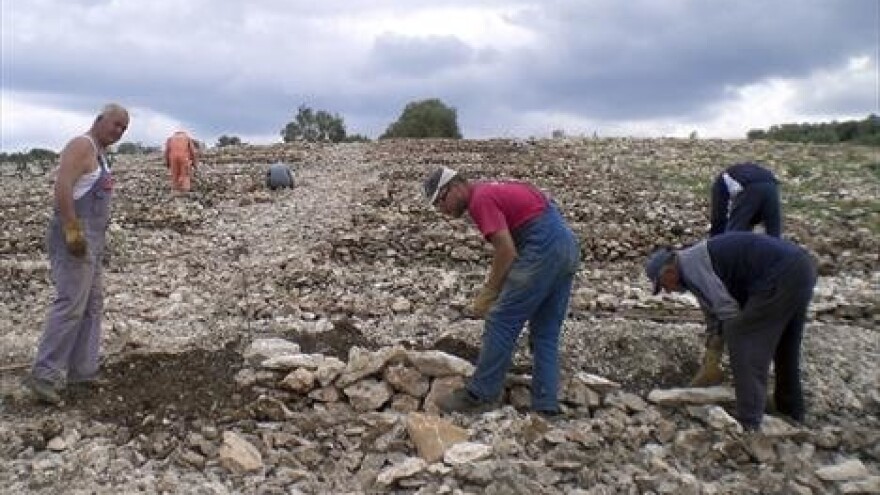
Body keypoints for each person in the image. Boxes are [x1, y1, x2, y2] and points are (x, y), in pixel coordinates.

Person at [424, 167, 580, 415]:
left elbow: (506, 251)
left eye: (441, 201)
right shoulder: (496, 188)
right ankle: (546, 406)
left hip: (542, 247)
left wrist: (490, 292)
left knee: (500, 320)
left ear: (455, 187)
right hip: (567, 246)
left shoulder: (479, 199)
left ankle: (480, 394)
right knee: (545, 333)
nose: (444, 211)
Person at [645, 232, 817, 429]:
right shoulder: (691, 266)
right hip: (800, 268)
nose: (667, 291)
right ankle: (791, 410)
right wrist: (712, 353)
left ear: (668, 272)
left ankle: (749, 420)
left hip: (780, 275)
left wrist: (725, 344)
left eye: (663, 285)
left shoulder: (692, 266)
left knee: (740, 335)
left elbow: (727, 310)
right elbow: (711, 310)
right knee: (785, 346)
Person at [24, 103, 130, 404]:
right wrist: (73, 232)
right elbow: (62, 189)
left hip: (94, 239)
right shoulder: (81, 146)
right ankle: (44, 375)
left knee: (92, 305)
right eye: (115, 124)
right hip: (75, 236)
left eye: (124, 128)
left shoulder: (101, 155)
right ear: (99, 120)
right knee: (71, 303)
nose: (119, 131)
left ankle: (82, 372)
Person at [694, 162, 782, 386]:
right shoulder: (751, 182)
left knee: (731, 241)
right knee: (775, 243)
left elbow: (718, 220)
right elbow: (769, 231)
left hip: (752, 187)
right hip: (772, 186)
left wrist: (714, 251)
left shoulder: (720, 183)